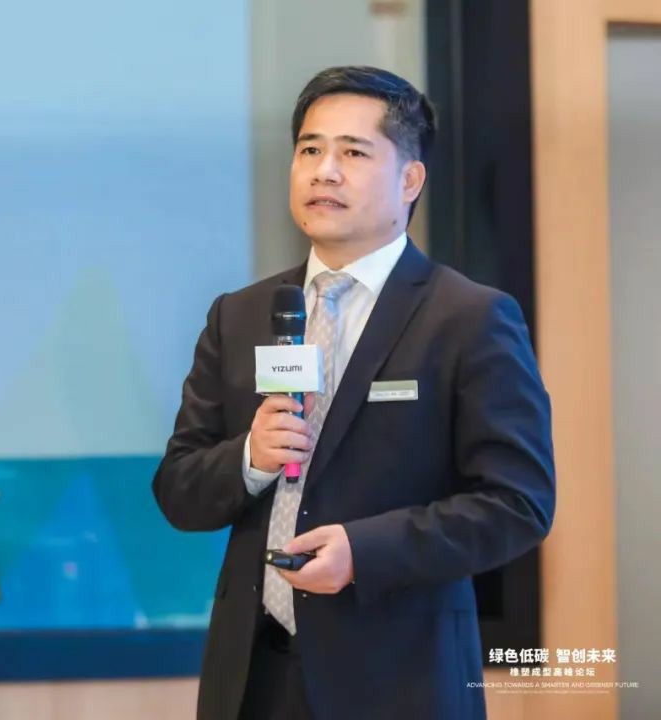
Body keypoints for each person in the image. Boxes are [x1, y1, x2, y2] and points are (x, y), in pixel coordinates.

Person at [152, 66, 555, 720]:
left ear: (410, 180)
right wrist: (250, 458)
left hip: (398, 683)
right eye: (309, 149)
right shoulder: (241, 315)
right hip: (254, 681)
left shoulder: (468, 318)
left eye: (353, 153)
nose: (324, 171)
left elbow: (518, 504)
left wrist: (363, 554)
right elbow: (178, 491)